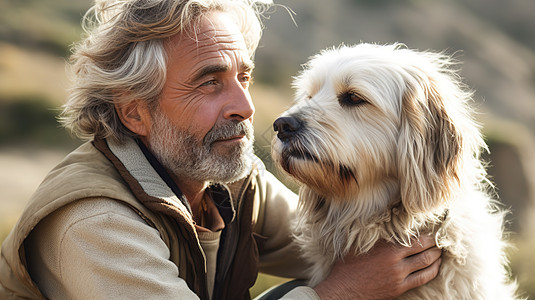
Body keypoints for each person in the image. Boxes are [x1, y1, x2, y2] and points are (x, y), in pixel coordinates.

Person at [0, 0, 442, 299]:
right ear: (135, 112)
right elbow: (353, 277)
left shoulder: (227, 182)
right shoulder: (95, 222)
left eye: (243, 78)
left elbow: (359, 249)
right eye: (209, 82)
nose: (246, 107)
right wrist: (337, 295)